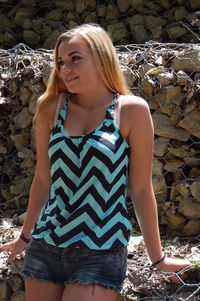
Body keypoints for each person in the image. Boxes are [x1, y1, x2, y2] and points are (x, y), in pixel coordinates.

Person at [0, 23, 190, 301]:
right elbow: (42, 179)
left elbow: (140, 188)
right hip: (46, 245)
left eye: (75, 58)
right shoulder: (50, 107)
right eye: (61, 62)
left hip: (100, 249)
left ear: (101, 57)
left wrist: (158, 258)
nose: (65, 68)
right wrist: (25, 236)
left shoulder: (131, 110)